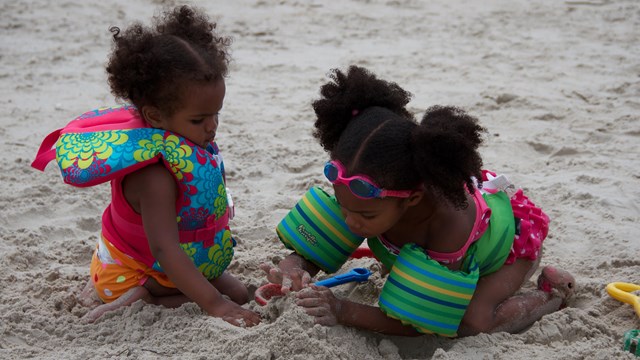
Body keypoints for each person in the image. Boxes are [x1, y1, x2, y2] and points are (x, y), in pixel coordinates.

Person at [262, 65, 574, 336]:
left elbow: (420, 323)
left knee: (472, 322)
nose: (350, 221)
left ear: (411, 199)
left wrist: (342, 310)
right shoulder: (366, 198)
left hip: (510, 247)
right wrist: (294, 266)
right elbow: (318, 246)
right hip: (421, 215)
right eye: (344, 207)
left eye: (364, 217)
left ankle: (551, 295)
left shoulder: (446, 228)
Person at [31, 5, 260, 327]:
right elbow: (164, 248)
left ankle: (162, 292)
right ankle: (146, 299)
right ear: (154, 116)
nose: (212, 128)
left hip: (161, 264)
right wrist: (215, 305)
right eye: (199, 119)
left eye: (216, 114)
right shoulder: (155, 176)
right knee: (227, 300)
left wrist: (220, 296)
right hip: (131, 274)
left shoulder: (186, 144)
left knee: (239, 293)